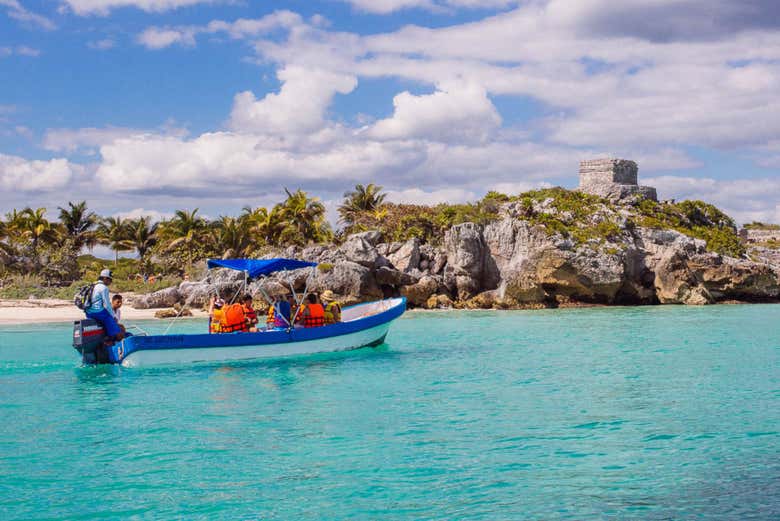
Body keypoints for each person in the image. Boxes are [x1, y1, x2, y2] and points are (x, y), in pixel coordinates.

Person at [85, 269, 124, 341]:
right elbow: (107, 304)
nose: (110, 282)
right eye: (110, 279)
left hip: (88, 312)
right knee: (110, 320)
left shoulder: (93, 285)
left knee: (106, 317)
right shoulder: (104, 288)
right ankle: (112, 340)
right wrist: (113, 316)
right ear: (105, 278)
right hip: (97, 312)